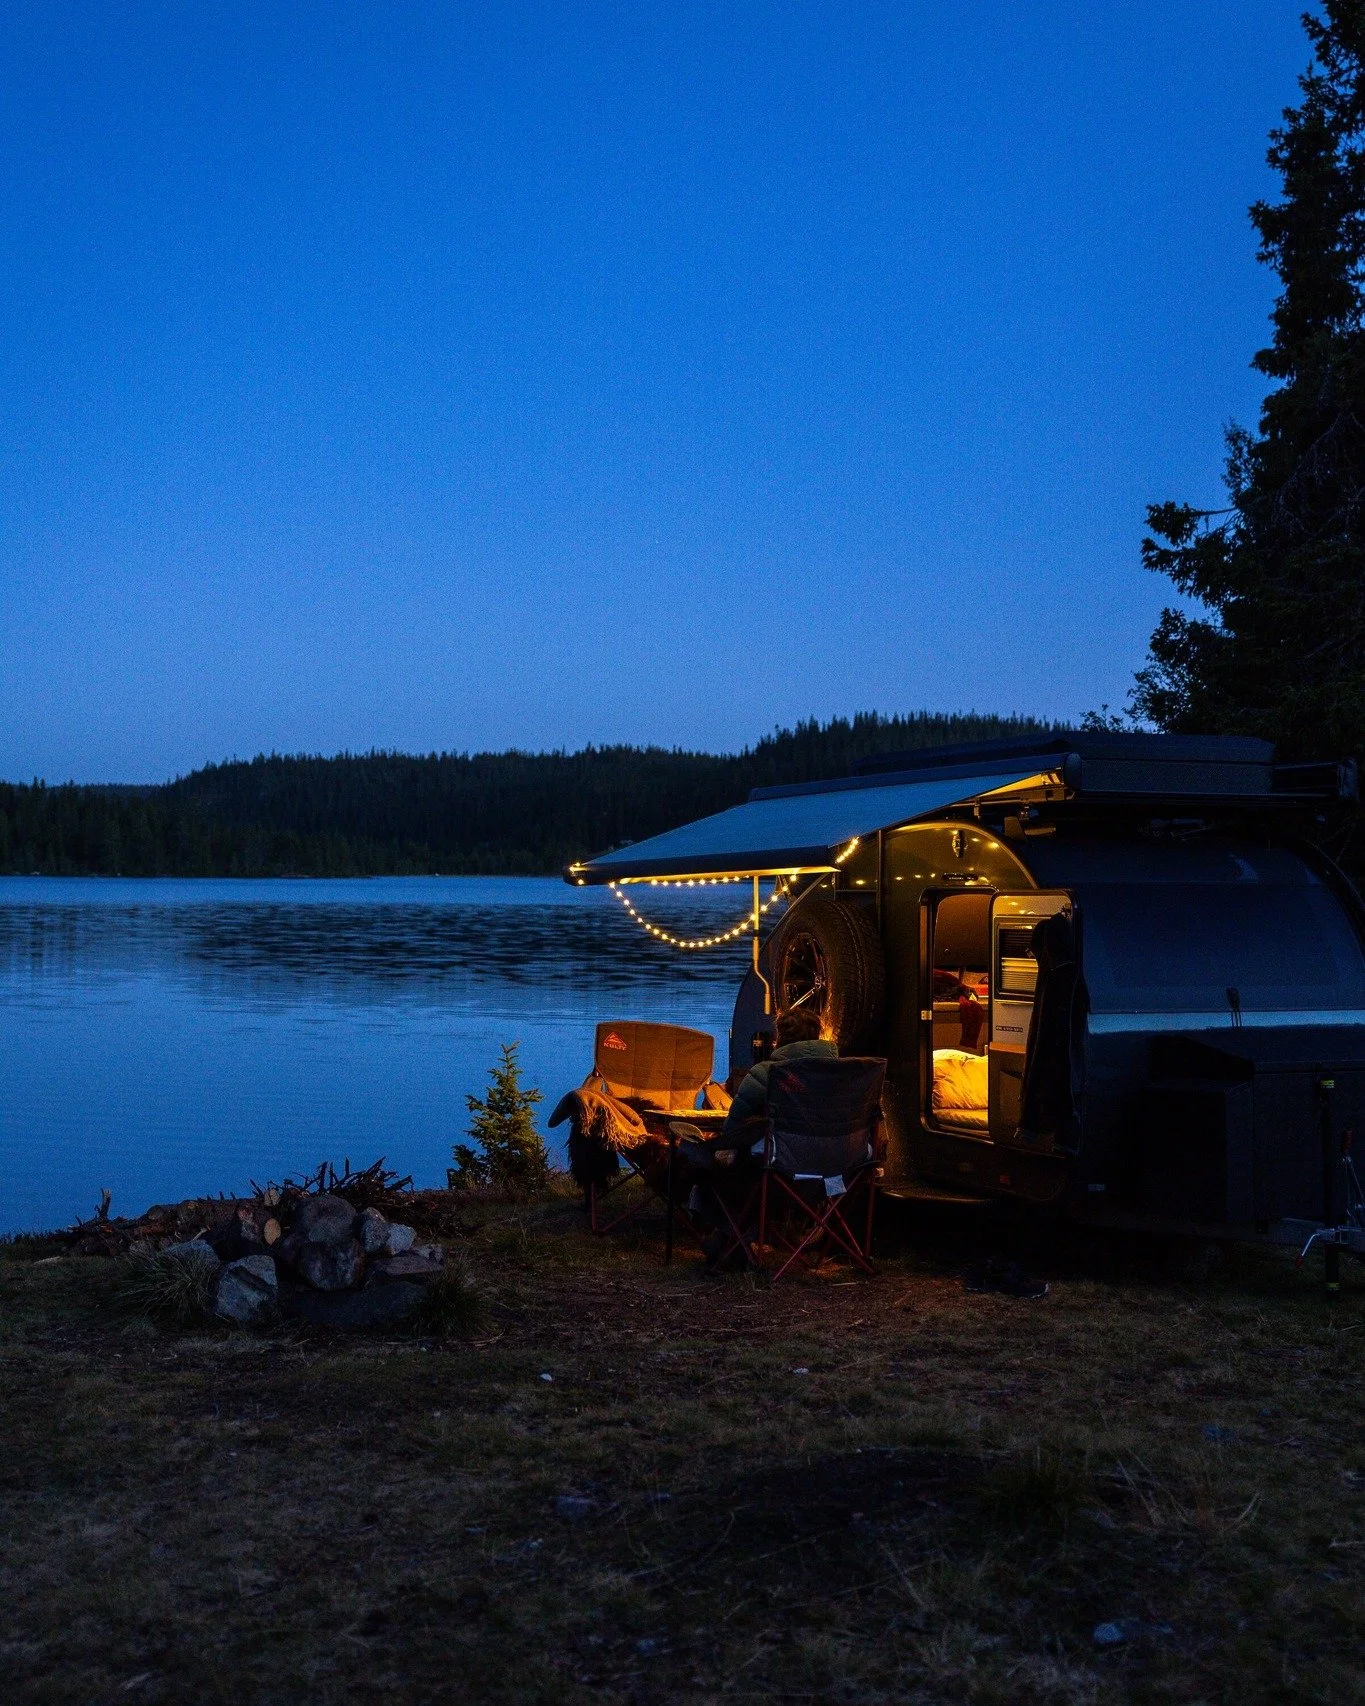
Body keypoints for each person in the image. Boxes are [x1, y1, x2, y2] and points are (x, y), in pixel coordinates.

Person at [717, 1004, 837, 1154]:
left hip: (783, 1158)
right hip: (835, 1156)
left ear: (779, 1037)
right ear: (819, 1036)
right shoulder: (840, 1073)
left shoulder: (766, 1073)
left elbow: (732, 1127)